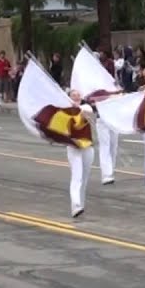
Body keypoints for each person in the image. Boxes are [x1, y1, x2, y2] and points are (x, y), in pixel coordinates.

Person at [65, 89, 95, 218]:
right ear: (69, 97)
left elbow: (88, 111)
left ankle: (80, 205)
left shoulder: (86, 107)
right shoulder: (65, 111)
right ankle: (75, 205)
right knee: (77, 177)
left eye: (78, 95)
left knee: (84, 178)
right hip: (73, 147)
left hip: (87, 146)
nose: (76, 97)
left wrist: (78, 107)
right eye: (73, 95)